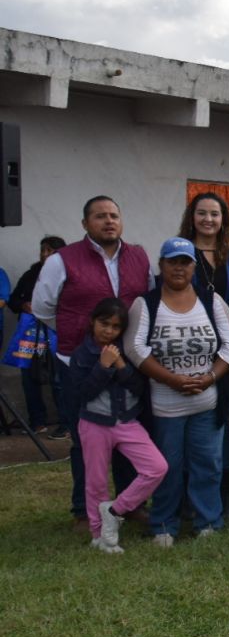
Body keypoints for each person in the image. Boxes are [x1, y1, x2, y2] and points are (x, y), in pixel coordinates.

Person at [33, 196, 152, 527]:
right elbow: (44, 308)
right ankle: (82, 511)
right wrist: (78, 336)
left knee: (128, 431)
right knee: (84, 437)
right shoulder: (62, 260)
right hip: (77, 362)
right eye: (100, 216)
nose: (109, 221)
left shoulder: (139, 257)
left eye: (114, 215)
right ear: (85, 224)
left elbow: (144, 303)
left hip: (124, 362)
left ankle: (131, 504)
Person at [125, 237, 229, 545]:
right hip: (165, 407)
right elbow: (134, 349)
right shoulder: (145, 304)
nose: (179, 267)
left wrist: (210, 377)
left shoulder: (211, 301)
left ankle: (208, 522)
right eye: (172, 261)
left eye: (185, 262)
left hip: (206, 401)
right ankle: (164, 525)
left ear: (194, 267)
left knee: (208, 465)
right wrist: (171, 379)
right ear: (161, 265)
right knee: (167, 467)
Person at [65, 297, 167, 553]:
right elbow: (81, 394)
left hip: (126, 422)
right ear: (92, 322)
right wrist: (102, 366)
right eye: (104, 324)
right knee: (96, 481)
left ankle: (115, 510)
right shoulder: (82, 354)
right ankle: (100, 535)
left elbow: (138, 388)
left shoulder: (126, 351)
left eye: (115, 326)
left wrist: (120, 365)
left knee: (156, 467)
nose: (108, 331)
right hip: (94, 424)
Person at [179, 191, 229, 518]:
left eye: (215, 214)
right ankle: (188, 490)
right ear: (191, 217)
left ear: (224, 219)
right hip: (187, 351)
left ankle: (227, 491)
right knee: (188, 420)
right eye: (202, 213)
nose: (208, 219)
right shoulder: (179, 251)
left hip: (227, 350)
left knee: (228, 422)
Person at [6, 235, 66, 433]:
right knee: (28, 377)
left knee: (58, 379)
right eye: (43, 250)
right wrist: (23, 305)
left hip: (57, 335)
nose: (45, 255)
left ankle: (65, 424)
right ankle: (36, 422)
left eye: (51, 251)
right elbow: (13, 300)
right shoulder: (31, 275)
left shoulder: (68, 275)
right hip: (31, 335)